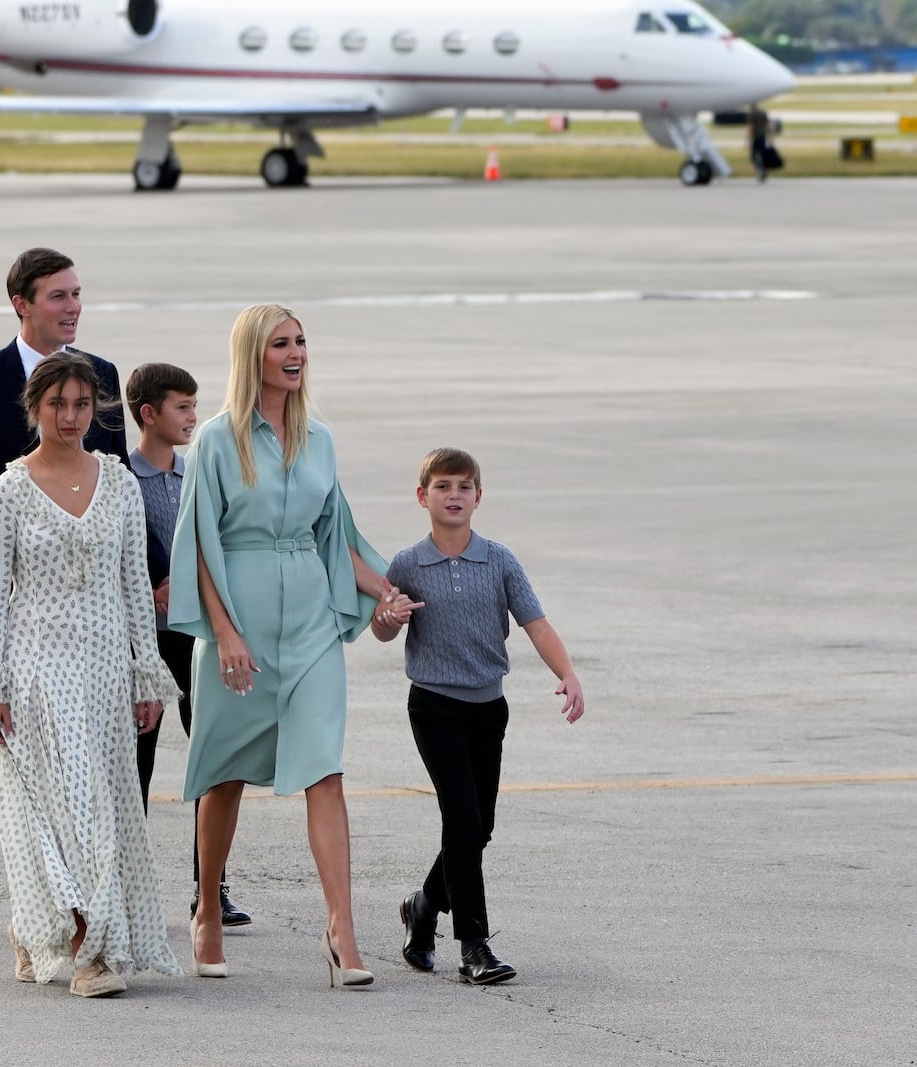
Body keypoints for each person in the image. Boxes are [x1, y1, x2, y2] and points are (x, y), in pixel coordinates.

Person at [167, 304, 414, 987]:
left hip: (308, 620)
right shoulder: (216, 441)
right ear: (254, 355)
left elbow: (338, 535)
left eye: (301, 340)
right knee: (223, 772)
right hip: (237, 621)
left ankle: (342, 927)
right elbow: (196, 545)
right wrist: (222, 634)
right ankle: (208, 908)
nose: (296, 352)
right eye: (281, 343)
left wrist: (385, 590)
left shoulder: (320, 439)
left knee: (324, 769)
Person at [0, 351, 184, 998]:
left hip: (105, 671)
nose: (70, 416)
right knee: (71, 807)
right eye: (57, 404)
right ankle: (92, 950)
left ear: (98, 409)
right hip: (38, 670)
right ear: (34, 407)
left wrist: (147, 673)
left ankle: (37, 923)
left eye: (82, 404)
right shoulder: (8, 490)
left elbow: (133, 586)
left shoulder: (118, 482)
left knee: (104, 808)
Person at [373, 447, 585, 986]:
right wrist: (388, 617)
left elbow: (536, 623)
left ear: (479, 498)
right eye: (442, 486)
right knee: (463, 821)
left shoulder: (500, 560)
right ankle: (474, 945)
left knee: (479, 827)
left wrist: (568, 673)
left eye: (464, 487)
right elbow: (381, 627)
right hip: (434, 705)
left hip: (488, 708)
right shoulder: (405, 563)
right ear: (423, 496)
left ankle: (422, 906)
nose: (454, 496)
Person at [125, 361, 252, 928]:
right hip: (146, 644)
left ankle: (210, 884)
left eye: (195, 406)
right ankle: (130, 886)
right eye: (182, 407)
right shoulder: (120, 479)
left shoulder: (197, 471)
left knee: (214, 755)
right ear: (148, 414)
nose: (193, 418)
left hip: (197, 637)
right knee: (137, 765)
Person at [0, 247, 131, 620]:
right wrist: (17, 529)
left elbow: (120, 477)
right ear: (21, 304)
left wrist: (160, 568)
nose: (72, 306)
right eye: (58, 296)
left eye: (76, 294)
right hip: (11, 586)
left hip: (94, 586)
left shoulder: (102, 373)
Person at [749, 104, 774, 183]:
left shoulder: (752, 115)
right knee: (762, 154)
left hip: (756, 137)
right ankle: (763, 169)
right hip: (763, 136)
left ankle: (760, 169)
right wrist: (770, 137)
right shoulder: (763, 113)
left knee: (753, 156)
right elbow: (768, 125)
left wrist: (749, 139)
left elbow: (751, 127)